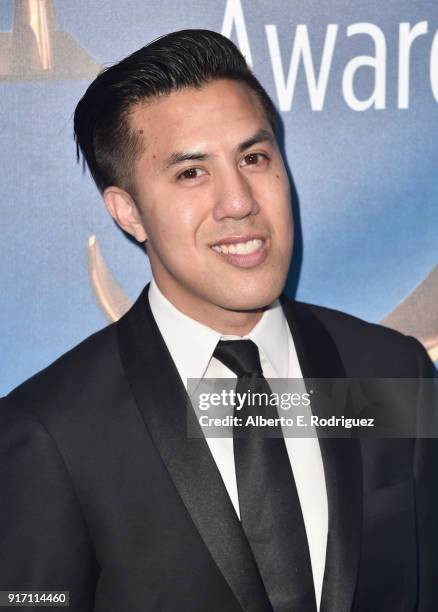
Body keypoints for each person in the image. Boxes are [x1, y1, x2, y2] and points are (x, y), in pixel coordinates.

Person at [0, 29, 437, 612]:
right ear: (128, 212)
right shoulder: (51, 431)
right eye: (191, 173)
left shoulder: (393, 371)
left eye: (254, 158)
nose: (239, 201)